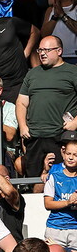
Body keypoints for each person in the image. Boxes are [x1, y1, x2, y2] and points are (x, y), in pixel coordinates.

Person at [17, 35, 77, 178]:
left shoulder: (72, 71)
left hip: (60, 136)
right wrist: (22, 125)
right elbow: (21, 102)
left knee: (61, 178)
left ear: (59, 51)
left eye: (47, 50)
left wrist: (75, 122)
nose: (42, 53)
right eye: (40, 50)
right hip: (34, 136)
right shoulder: (32, 73)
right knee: (34, 180)